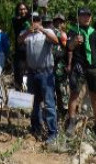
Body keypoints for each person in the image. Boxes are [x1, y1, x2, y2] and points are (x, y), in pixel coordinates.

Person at [19, 13, 59, 144]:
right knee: (34, 103)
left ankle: (53, 132)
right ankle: (35, 127)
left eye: (37, 20)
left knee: (49, 103)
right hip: (31, 73)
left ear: (40, 21)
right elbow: (19, 41)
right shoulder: (26, 33)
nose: (34, 22)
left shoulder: (47, 31)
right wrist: (27, 33)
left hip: (45, 72)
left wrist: (41, 30)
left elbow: (56, 41)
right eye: (32, 20)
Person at [66, 7, 96, 140]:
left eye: (88, 15)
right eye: (83, 15)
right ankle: (71, 122)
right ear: (78, 17)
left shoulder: (95, 33)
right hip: (79, 67)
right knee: (74, 95)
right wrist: (75, 41)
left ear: (91, 17)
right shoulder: (73, 30)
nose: (86, 17)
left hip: (94, 68)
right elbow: (69, 47)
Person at [51, 14, 69, 118]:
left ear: (64, 23)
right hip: (50, 65)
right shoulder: (49, 33)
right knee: (52, 89)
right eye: (56, 21)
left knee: (62, 89)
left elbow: (68, 49)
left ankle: (64, 112)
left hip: (61, 66)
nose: (58, 23)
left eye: (60, 21)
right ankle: (55, 110)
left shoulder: (64, 34)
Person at [11, 2, 31, 91]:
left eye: (24, 9)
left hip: (30, 50)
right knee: (19, 72)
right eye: (20, 9)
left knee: (28, 73)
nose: (23, 11)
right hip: (20, 50)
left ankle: (26, 91)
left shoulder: (31, 19)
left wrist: (36, 5)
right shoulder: (15, 20)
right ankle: (18, 93)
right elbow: (23, 19)